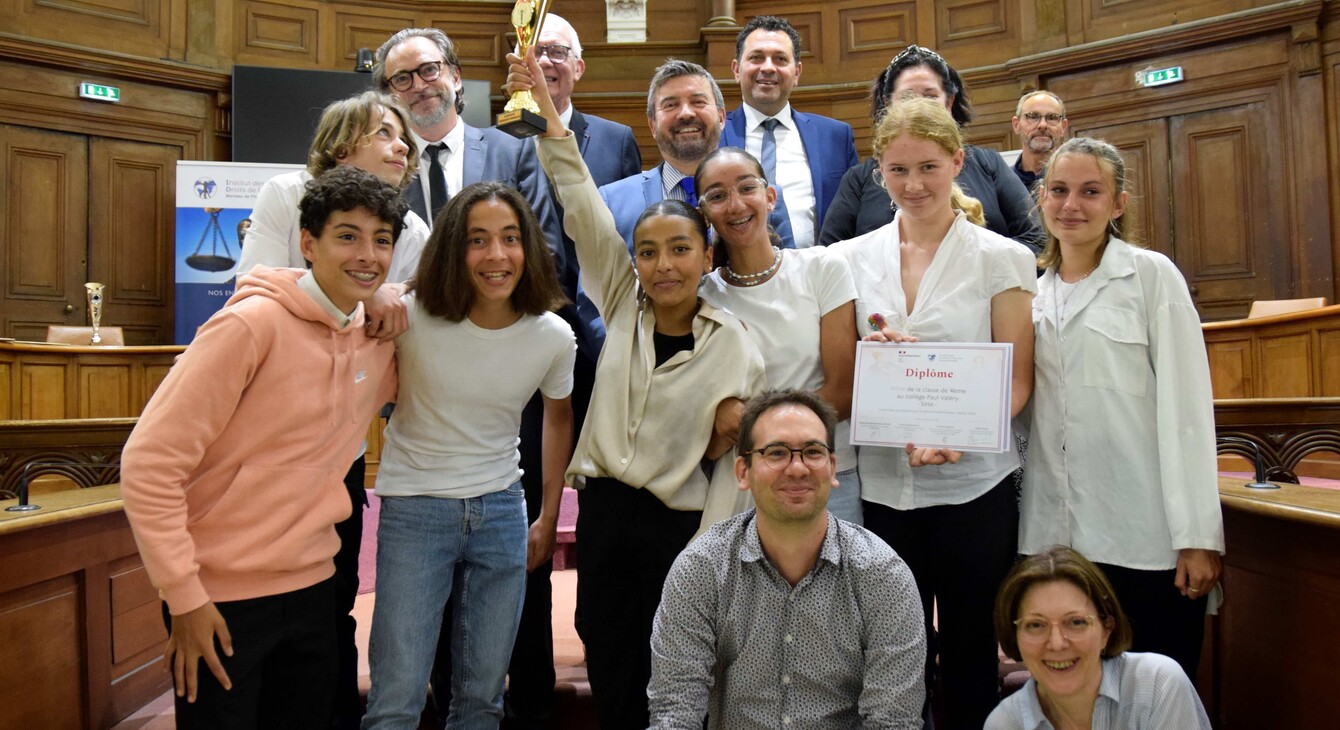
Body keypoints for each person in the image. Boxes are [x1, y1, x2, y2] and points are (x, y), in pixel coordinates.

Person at [507, 48, 767, 730]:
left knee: (683, 674)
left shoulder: (734, 343)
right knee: (610, 654)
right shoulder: (620, 303)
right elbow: (580, 202)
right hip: (608, 518)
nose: (663, 264)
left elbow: (734, 470)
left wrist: (710, 556)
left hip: (684, 526)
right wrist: (546, 113)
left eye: (680, 249)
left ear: (708, 257)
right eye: (647, 251)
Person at [120, 166, 403, 729]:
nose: (366, 255)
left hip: (316, 590)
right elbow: (149, 465)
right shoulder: (248, 327)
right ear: (307, 243)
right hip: (220, 597)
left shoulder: (377, 339)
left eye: (382, 240)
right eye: (347, 236)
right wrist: (185, 597)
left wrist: (393, 299)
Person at [827, 96, 1036, 729]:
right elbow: (840, 376)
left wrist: (959, 436)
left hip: (976, 484)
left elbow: (1018, 381)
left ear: (958, 162)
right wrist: (872, 357)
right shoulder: (849, 259)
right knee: (897, 651)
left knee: (973, 647)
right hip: (887, 485)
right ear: (876, 172)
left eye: (928, 167)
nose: (913, 185)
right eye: (897, 170)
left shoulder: (1004, 258)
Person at [232, 92, 424, 728]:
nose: (403, 145)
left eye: (405, 139)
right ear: (343, 145)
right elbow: (253, 284)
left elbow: (409, 318)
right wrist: (364, 297)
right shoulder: (288, 194)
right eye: (386, 133)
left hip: (340, 443)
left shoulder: (416, 229)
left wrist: (389, 293)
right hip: (264, 438)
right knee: (254, 609)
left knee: (331, 601)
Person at [361, 181, 575, 730]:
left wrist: (548, 515)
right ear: (455, 249)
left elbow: (557, 417)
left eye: (510, 238)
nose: (496, 255)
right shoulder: (411, 316)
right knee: (396, 699)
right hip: (415, 509)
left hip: (501, 510)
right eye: (478, 240)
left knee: (482, 700)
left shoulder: (552, 334)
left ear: (529, 247)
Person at [1021, 136, 1224, 678]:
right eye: (1059, 190)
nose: (1072, 205)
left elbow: (1187, 411)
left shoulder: (1151, 276)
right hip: (1054, 535)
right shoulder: (1029, 295)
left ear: (1117, 204)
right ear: (1041, 198)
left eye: (1091, 191)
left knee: (1153, 683)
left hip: (1143, 532)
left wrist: (1198, 537)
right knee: (1074, 685)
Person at [504, 15, 643, 729]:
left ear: (579, 67)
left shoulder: (616, 141)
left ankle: (606, 633)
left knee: (613, 503)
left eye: (557, 52)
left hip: (610, 345)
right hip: (528, 348)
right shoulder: (501, 136)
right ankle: (528, 674)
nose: (546, 62)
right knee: (535, 498)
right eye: (534, 53)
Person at [647, 389, 927, 728]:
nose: (797, 468)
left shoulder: (882, 575)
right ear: (743, 471)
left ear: (833, 468)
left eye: (812, 452)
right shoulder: (702, 568)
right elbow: (675, 711)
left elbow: (893, 720)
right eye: (776, 453)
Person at [694, 146, 862, 525]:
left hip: (825, 474)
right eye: (717, 196)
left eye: (746, 188)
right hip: (742, 481)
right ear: (704, 213)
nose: (735, 205)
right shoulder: (702, 295)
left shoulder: (822, 267)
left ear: (770, 197)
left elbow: (843, 390)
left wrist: (759, 433)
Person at [818, 44, 1042, 250]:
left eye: (930, 96)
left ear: (949, 102)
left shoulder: (988, 163)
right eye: (907, 96)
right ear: (888, 103)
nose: (919, 104)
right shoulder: (859, 179)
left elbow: (1035, 240)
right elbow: (829, 258)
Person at [987, 545, 1213, 729]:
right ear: (1014, 636)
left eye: (1076, 622)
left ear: (1107, 629)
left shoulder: (1158, 684)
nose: (1056, 643)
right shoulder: (1006, 724)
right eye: (1035, 625)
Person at [599, 58, 793, 250]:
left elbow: (788, 278)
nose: (686, 113)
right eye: (670, 105)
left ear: (722, 117)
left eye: (698, 102)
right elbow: (595, 281)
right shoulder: (613, 203)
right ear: (653, 125)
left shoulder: (761, 198)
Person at [721, 15, 859, 248]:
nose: (767, 67)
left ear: (796, 72)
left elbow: (853, 216)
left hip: (817, 276)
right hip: (733, 278)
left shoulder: (835, 137)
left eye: (780, 59)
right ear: (736, 69)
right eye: (756, 58)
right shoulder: (715, 135)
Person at [1010, 91, 1068, 193]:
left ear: (1063, 127)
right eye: (1033, 116)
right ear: (1016, 125)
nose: (1043, 125)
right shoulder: (1002, 182)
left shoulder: (1075, 177)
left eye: (1052, 117)